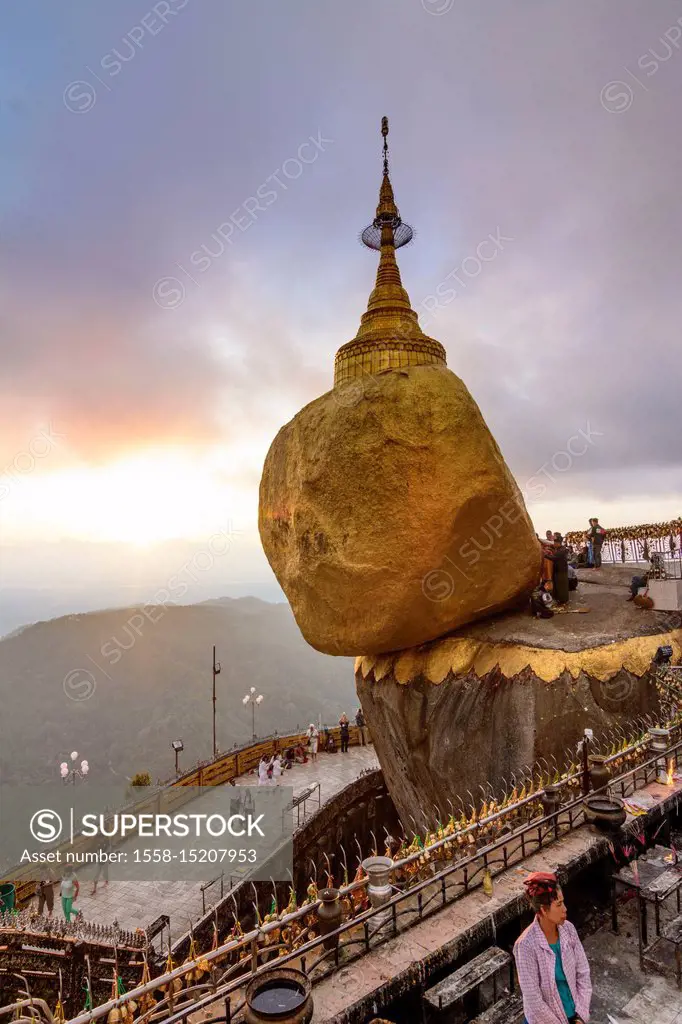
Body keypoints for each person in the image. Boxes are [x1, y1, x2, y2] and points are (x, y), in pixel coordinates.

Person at [514, 872, 591, 1024]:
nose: (565, 909)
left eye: (563, 902)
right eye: (558, 904)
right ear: (543, 910)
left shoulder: (568, 930)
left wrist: (581, 1015)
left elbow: (583, 973)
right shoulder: (525, 946)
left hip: (574, 1015)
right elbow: (534, 1000)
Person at [547, 533, 570, 606]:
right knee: (558, 585)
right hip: (558, 570)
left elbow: (554, 558)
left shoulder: (562, 550)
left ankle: (563, 601)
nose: (554, 544)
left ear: (558, 543)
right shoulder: (559, 549)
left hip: (561, 571)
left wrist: (545, 555)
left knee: (561, 586)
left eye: (555, 543)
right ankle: (559, 599)